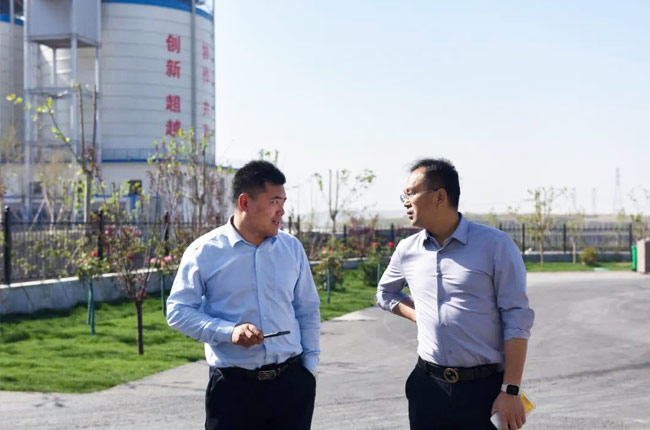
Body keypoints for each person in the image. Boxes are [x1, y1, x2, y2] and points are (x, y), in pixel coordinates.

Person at [376, 158, 534, 430]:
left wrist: (510, 390)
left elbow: (516, 318)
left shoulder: (495, 245)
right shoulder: (407, 250)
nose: (405, 202)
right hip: (428, 387)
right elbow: (385, 293)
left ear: (440, 197)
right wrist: (420, 315)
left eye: (411, 193)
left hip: (484, 392)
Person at [167, 160, 321, 430]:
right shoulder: (204, 252)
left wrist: (309, 368)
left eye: (283, 201)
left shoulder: (292, 248)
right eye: (274, 201)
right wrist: (229, 332)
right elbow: (178, 311)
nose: (282, 211)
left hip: (292, 387)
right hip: (233, 391)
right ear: (245, 202)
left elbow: (307, 309)